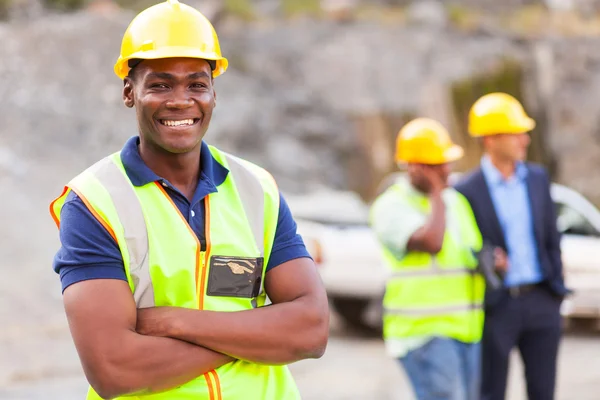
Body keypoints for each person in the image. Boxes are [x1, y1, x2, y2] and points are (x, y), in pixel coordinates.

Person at [49, 1, 329, 399]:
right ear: (130, 92)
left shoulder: (257, 189)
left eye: (197, 84)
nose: (181, 100)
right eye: (160, 84)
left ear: (214, 93)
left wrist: (175, 322)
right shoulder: (95, 203)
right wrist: (255, 336)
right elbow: (114, 369)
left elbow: (311, 330)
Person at [370, 118, 506, 400]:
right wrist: (435, 192)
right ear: (414, 167)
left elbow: (470, 252)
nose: (446, 170)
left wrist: (493, 262)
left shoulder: (456, 202)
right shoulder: (391, 206)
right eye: (437, 165)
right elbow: (432, 242)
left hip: (466, 330)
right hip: (425, 334)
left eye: (446, 163)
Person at [455, 92, 571, 400]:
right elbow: (465, 246)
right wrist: (488, 259)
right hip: (498, 306)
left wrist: (556, 290)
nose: (526, 139)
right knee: (491, 393)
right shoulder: (465, 190)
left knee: (543, 392)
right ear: (491, 139)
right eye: (517, 132)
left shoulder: (537, 178)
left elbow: (550, 237)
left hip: (542, 300)